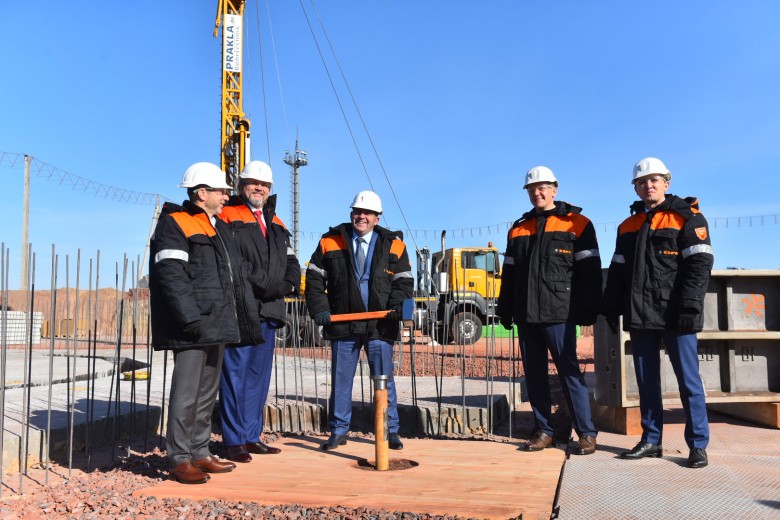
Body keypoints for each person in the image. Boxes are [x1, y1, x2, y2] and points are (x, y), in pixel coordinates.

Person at [149, 162, 263, 484]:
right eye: (221, 190)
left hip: (218, 323)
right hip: (193, 325)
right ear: (202, 193)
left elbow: (232, 278)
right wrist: (190, 319)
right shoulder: (176, 223)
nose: (227, 195)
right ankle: (179, 457)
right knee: (186, 393)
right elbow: (171, 276)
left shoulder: (219, 227)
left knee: (205, 393)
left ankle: (200, 451)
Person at [603, 157, 714, 469]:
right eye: (642, 181)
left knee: (689, 381)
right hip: (641, 315)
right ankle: (652, 439)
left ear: (667, 183)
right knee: (646, 381)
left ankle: (698, 445)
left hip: (677, 314)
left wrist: (690, 307)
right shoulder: (627, 226)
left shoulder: (687, 217)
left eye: (654, 180)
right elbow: (618, 270)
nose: (648, 185)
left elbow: (699, 265)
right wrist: (611, 305)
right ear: (636, 188)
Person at [497, 166, 601, 455]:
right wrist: (506, 309)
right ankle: (544, 431)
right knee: (534, 375)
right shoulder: (518, 229)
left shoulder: (577, 224)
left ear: (554, 189)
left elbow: (589, 272)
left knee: (569, 372)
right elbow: (510, 275)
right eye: (532, 189)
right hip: (527, 314)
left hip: (560, 312)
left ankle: (587, 433)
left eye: (542, 188)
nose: (537, 193)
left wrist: (588, 309)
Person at [305, 190, 413, 451]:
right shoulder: (330, 241)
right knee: (341, 380)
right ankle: (339, 430)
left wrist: (396, 308)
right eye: (357, 211)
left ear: (377, 217)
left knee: (384, 378)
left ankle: (390, 430)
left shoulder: (394, 244)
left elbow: (404, 282)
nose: (361, 216)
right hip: (343, 323)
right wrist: (320, 309)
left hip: (380, 323)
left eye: (367, 213)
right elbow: (314, 280)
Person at [217, 160, 300, 463]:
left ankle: (251, 435)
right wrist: (268, 285)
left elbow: (292, 260)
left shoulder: (276, 222)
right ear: (241, 185)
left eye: (264, 185)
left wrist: (290, 283)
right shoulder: (227, 215)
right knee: (234, 373)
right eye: (253, 183)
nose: (259, 188)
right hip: (242, 306)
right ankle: (233, 440)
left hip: (269, 308)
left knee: (258, 376)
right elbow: (233, 260)